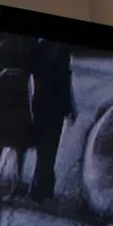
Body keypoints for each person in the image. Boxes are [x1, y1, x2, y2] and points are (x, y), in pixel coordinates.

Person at [0, 36, 34, 197]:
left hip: (1, 90)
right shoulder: (29, 47)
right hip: (18, 91)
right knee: (19, 140)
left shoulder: (3, 45)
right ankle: (17, 180)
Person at [29, 40, 76, 204]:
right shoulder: (61, 49)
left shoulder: (40, 48)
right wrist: (70, 108)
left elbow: (35, 75)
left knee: (44, 149)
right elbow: (65, 80)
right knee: (49, 149)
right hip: (53, 106)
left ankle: (42, 187)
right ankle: (43, 188)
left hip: (43, 105)